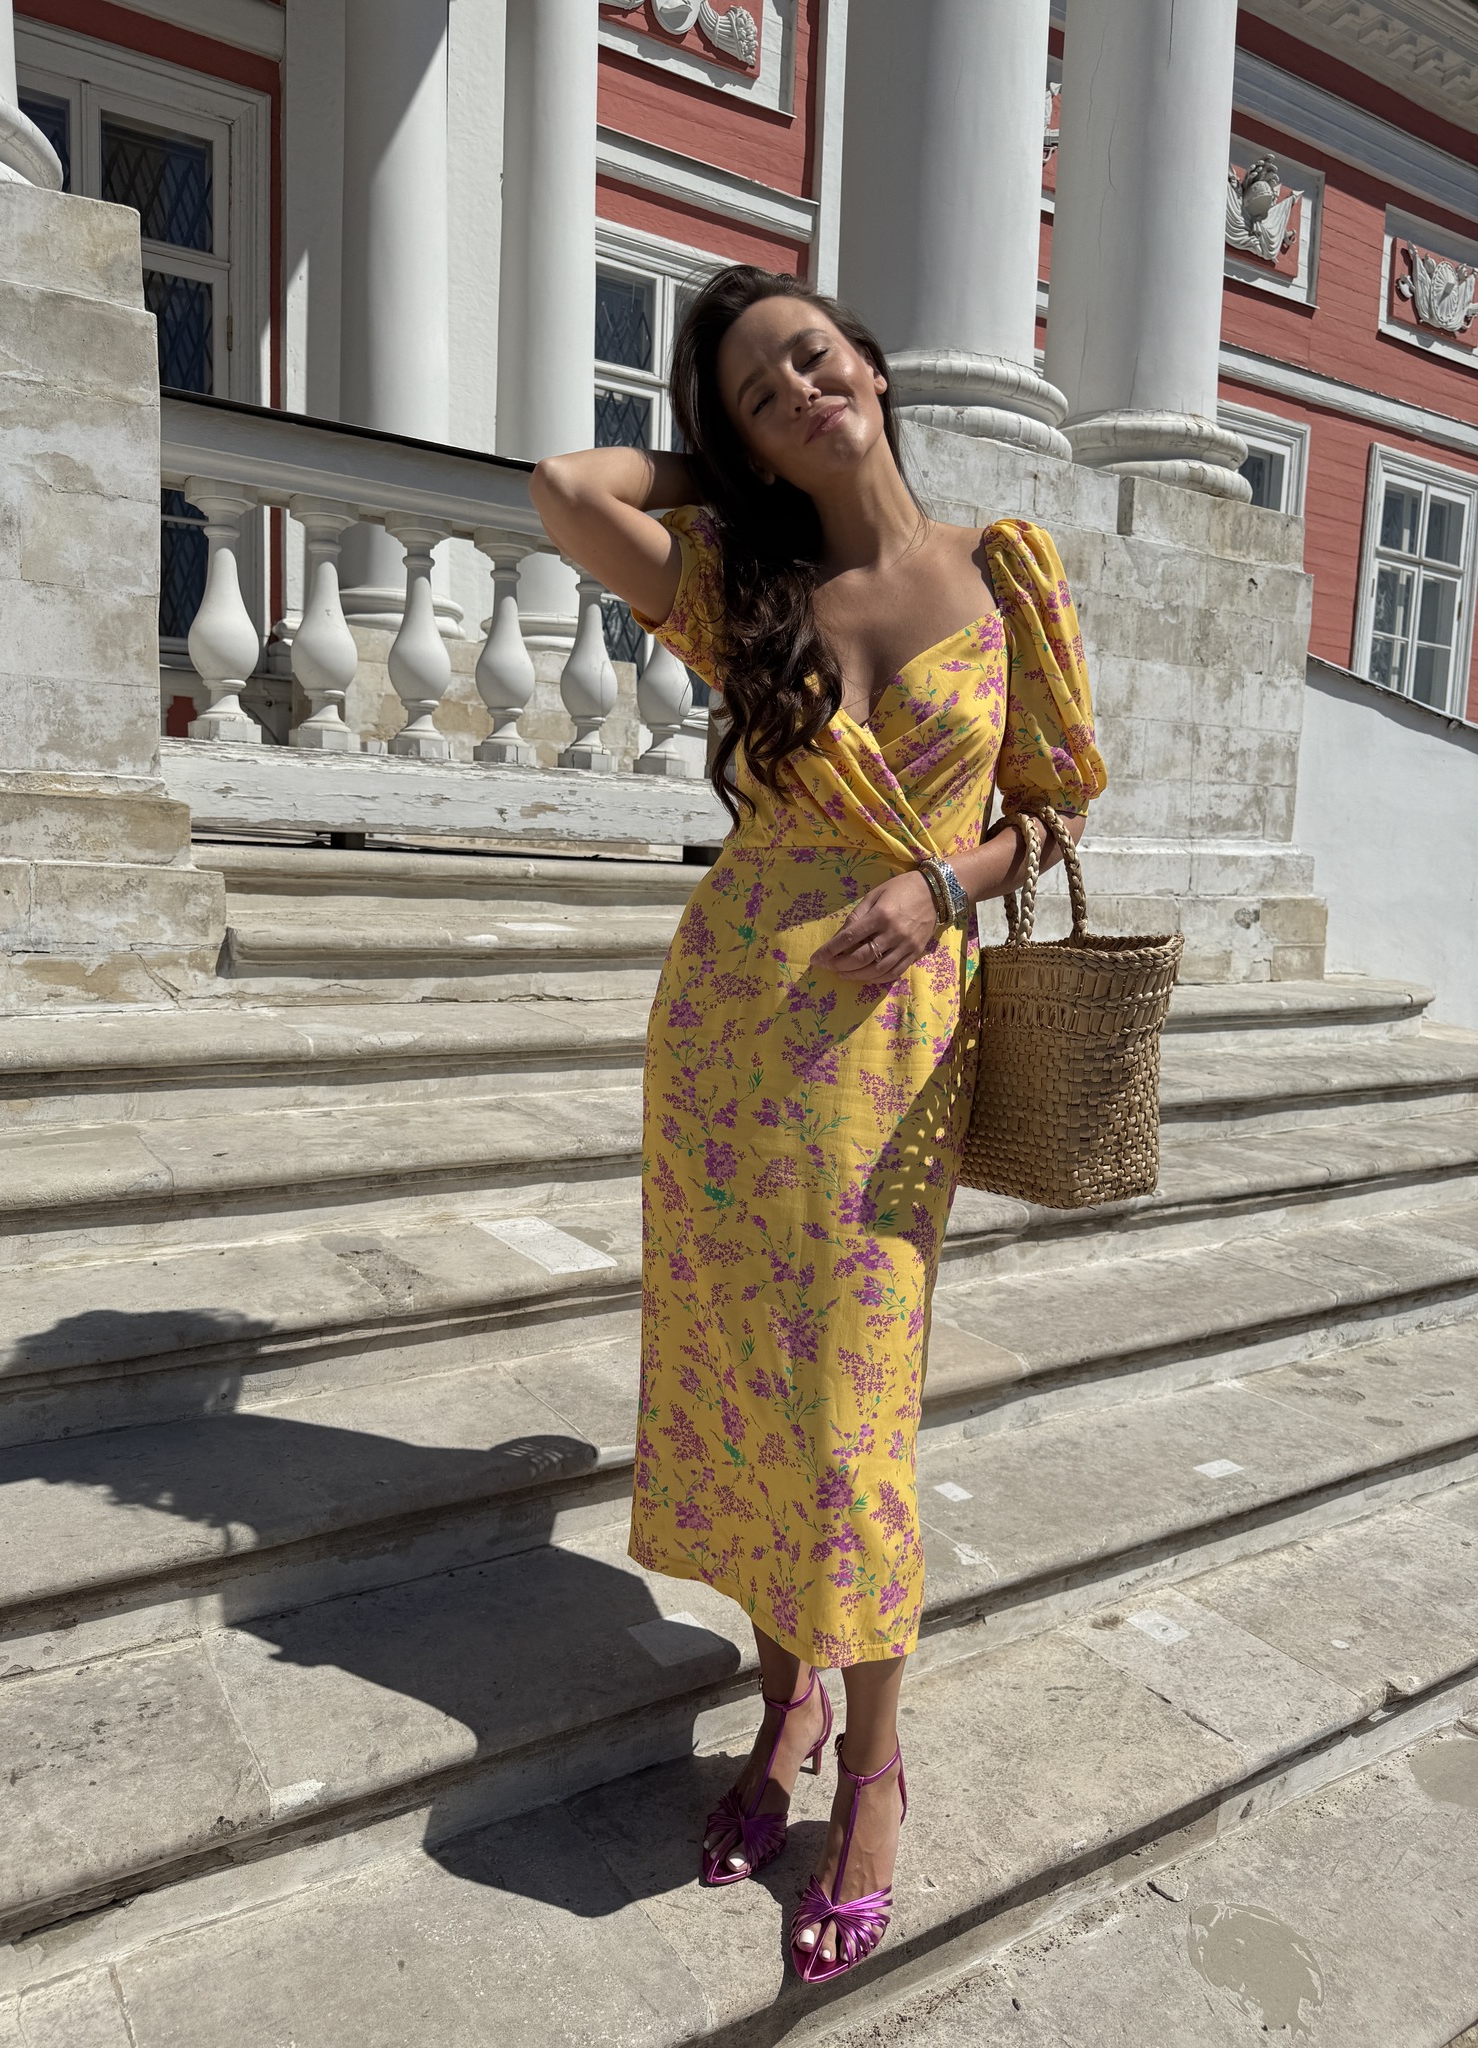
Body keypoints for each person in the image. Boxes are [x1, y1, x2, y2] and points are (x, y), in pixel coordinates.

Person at [530, 264, 1105, 1984]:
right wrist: (722, 471)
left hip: (892, 1046)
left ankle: (873, 1773)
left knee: (851, 1413)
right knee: (742, 1389)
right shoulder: (743, 588)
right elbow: (565, 491)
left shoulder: (1003, 573)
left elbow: (1056, 804)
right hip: (725, 1032)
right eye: (757, 395)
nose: (799, 390)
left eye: (810, 356)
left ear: (870, 359)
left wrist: (943, 888)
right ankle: (782, 1709)